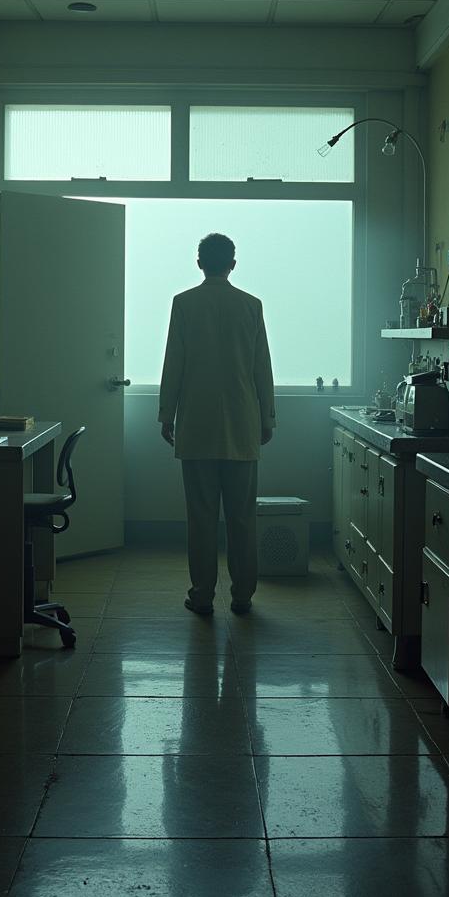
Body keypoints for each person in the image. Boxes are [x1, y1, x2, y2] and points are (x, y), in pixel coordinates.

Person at [158, 233, 275, 615]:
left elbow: (174, 363)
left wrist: (166, 413)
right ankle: (242, 595)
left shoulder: (184, 304)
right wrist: (268, 416)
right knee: (242, 517)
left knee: (201, 518)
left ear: (199, 263)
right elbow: (262, 368)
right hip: (242, 424)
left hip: (196, 424)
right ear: (233, 264)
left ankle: (202, 594)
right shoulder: (251, 306)